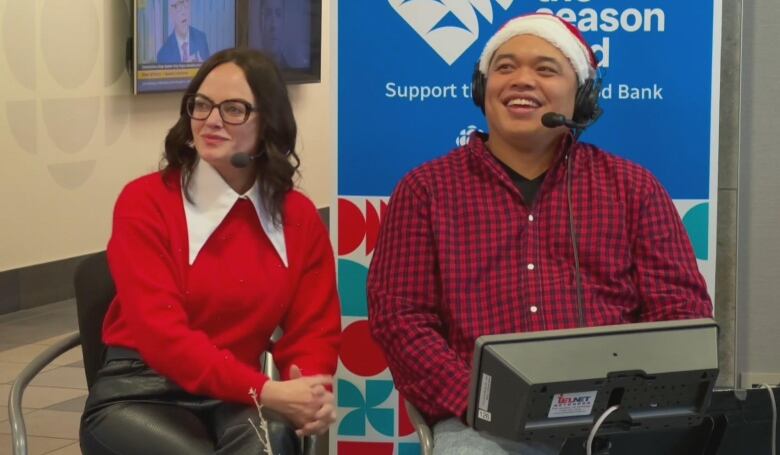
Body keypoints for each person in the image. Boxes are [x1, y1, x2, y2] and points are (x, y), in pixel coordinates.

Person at [366, 13, 713, 455]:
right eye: (505, 67)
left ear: (582, 96)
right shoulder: (425, 190)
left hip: (614, 421)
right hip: (483, 424)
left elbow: (681, 311)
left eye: (545, 69)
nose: (521, 81)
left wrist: (627, 402)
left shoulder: (633, 187)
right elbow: (401, 321)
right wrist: (480, 402)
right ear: (482, 87)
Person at [80, 48, 341, 454]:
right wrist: (269, 391)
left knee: (268, 443)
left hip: (240, 395)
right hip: (141, 389)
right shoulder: (145, 201)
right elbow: (163, 337)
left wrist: (305, 388)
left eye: (234, 109)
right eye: (201, 105)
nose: (211, 121)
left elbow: (314, 331)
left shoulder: (298, 217)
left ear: (268, 122)